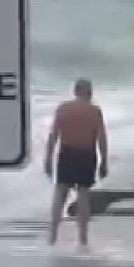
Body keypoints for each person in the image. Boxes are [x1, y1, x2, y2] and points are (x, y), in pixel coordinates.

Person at [44, 78, 108, 248]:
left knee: (60, 193)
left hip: (67, 153)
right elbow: (101, 138)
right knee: (83, 194)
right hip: (86, 154)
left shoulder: (63, 109)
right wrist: (104, 161)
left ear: (75, 91)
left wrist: (48, 159)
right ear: (89, 92)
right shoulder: (94, 111)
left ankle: (52, 236)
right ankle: (82, 239)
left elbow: (53, 136)